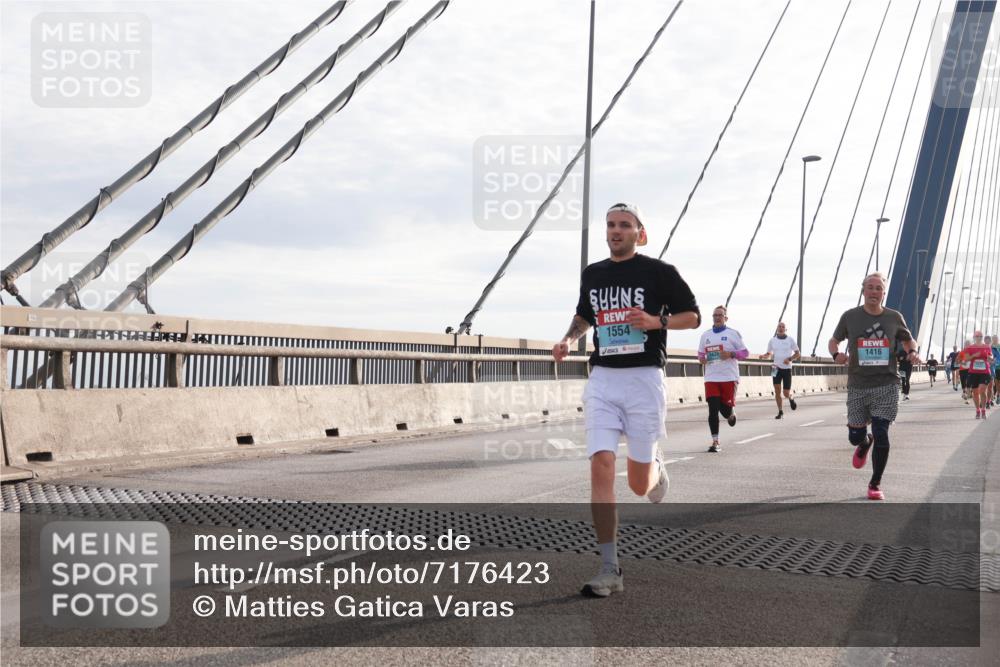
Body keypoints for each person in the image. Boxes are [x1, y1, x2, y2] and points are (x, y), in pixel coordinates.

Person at [552, 202, 700, 597]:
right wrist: (568, 339)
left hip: (643, 380)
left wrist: (657, 322)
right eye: (610, 225)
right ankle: (609, 567)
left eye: (624, 225)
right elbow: (585, 315)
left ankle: (653, 464)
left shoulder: (659, 273)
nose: (615, 231)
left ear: (640, 233)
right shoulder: (594, 274)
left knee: (639, 486)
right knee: (601, 465)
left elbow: (693, 316)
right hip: (602, 379)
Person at [829, 272, 919, 501]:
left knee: (882, 432)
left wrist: (912, 351)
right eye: (870, 287)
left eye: (878, 288)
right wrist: (836, 354)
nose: (874, 292)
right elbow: (834, 340)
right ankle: (864, 442)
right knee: (855, 436)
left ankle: (875, 483)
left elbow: (908, 339)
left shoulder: (893, 317)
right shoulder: (850, 316)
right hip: (858, 383)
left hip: (887, 383)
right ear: (863, 290)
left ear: (883, 293)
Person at [698, 305, 749, 452]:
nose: (717, 318)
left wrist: (731, 354)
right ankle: (715, 441)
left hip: (729, 377)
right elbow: (700, 355)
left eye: (720, 315)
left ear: (726, 318)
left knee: (725, 410)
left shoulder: (733, 334)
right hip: (711, 377)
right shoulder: (705, 335)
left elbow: (745, 353)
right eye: (715, 315)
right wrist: (702, 360)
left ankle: (730, 413)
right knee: (712, 409)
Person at [759, 322, 800, 418]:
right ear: (777, 328)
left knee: (786, 393)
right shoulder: (772, 340)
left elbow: (797, 353)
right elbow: (768, 354)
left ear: (786, 329)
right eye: (779, 327)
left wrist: (789, 359)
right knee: (777, 390)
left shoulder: (790, 340)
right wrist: (763, 356)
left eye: (783, 327)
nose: (781, 328)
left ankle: (791, 397)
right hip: (775, 368)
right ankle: (780, 412)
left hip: (787, 368)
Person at [961, 332, 994, 419]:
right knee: (975, 393)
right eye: (977, 336)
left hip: (985, 372)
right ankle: (977, 410)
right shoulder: (970, 347)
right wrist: (974, 355)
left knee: (982, 391)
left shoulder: (987, 347)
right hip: (973, 373)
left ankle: (983, 410)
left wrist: (989, 358)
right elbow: (966, 358)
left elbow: (991, 358)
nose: (979, 338)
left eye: (980, 336)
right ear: (974, 337)